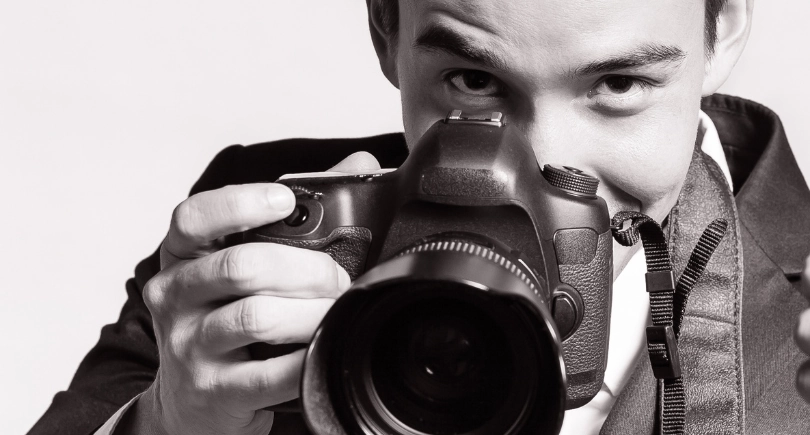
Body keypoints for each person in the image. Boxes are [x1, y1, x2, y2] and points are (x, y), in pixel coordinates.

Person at [27, 0, 810, 434]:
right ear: (385, 31)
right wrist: (165, 421)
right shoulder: (258, 217)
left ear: (722, 30)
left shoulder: (800, 304)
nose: (541, 166)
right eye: (473, 79)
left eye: (618, 85)